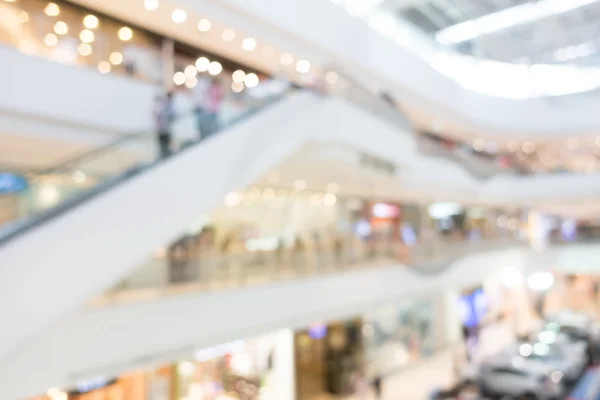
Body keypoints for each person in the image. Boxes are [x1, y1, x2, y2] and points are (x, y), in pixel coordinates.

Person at [154, 91, 175, 158]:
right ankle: (165, 155)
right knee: (163, 146)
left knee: (166, 144)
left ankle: (167, 155)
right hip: (161, 130)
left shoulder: (163, 108)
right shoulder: (159, 108)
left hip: (164, 129)